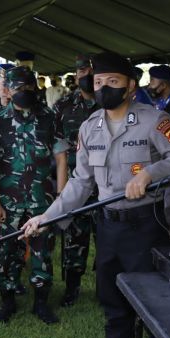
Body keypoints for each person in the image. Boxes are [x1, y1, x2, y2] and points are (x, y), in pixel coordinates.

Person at [21, 51, 170, 338]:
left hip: (146, 226)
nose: (103, 88)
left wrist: (149, 173)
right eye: (99, 82)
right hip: (109, 229)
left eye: (112, 82)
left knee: (155, 306)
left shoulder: (154, 119)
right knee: (113, 305)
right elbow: (80, 182)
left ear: (130, 86)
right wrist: (48, 216)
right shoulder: (90, 128)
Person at [0, 66, 69, 324]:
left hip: (41, 199)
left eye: (28, 87)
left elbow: (61, 157)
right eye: (17, 88)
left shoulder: (49, 117)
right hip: (8, 201)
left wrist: (61, 197)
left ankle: (41, 304)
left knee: (42, 252)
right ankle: (7, 302)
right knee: (6, 252)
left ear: (36, 88)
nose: (23, 92)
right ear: (8, 90)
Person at [53, 54, 100, 307]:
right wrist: (61, 189)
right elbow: (58, 148)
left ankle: (106, 288)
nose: (87, 76)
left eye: (92, 71)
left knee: (106, 239)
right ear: (76, 74)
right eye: (83, 71)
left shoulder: (112, 103)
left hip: (106, 186)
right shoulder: (63, 106)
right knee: (74, 241)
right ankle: (72, 287)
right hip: (77, 183)